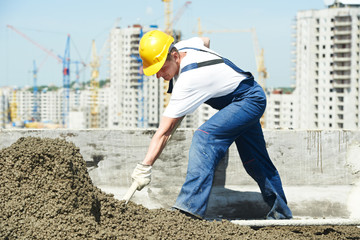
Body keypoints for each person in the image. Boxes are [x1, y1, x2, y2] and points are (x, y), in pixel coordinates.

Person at [130, 29, 292, 220]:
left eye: (161, 69)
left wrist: (145, 166)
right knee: (255, 160)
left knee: (205, 137)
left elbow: (164, 133)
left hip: (248, 101)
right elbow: (205, 40)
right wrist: (217, 76)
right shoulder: (184, 46)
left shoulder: (190, 79)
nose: (158, 75)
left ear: (174, 56)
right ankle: (282, 213)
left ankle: (189, 211)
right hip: (245, 98)